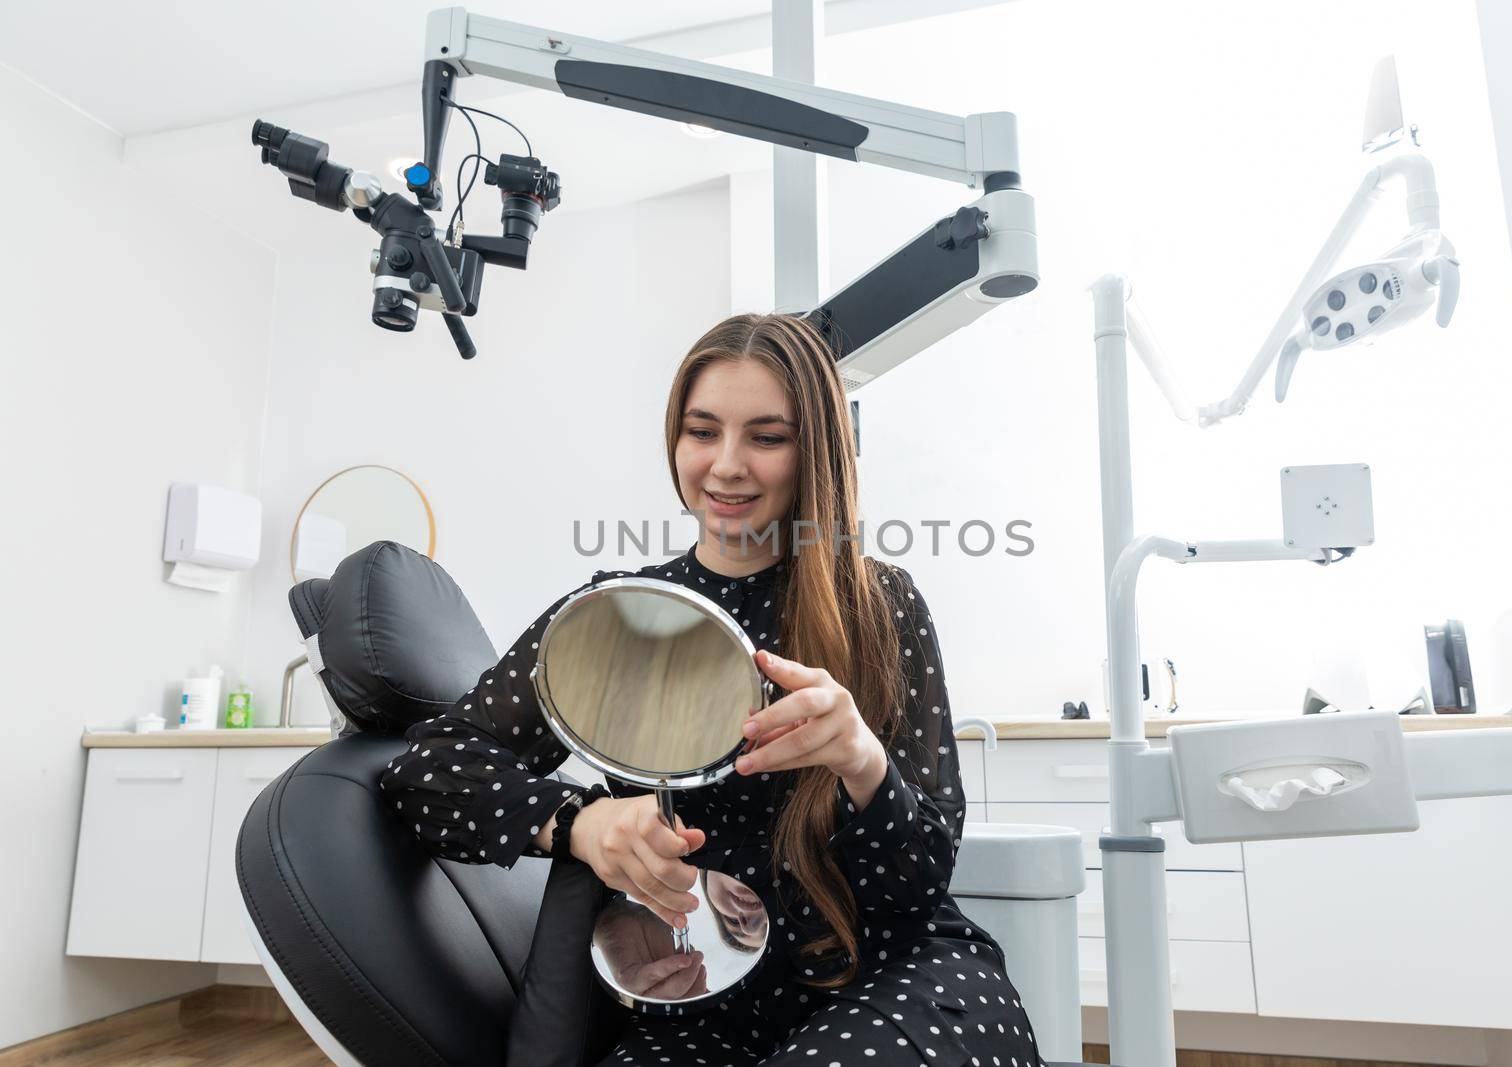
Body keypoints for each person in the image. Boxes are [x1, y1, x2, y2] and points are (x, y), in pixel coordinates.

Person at [379, 313, 1043, 1065]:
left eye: (766, 437)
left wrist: (862, 760)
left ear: (814, 450)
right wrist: (579, 825)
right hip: (702, 999)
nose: (726, 465)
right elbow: (429, 767)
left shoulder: (882, 606)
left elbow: (922, 876)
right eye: (702, 431)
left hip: (896, 975)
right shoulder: (614, 616)